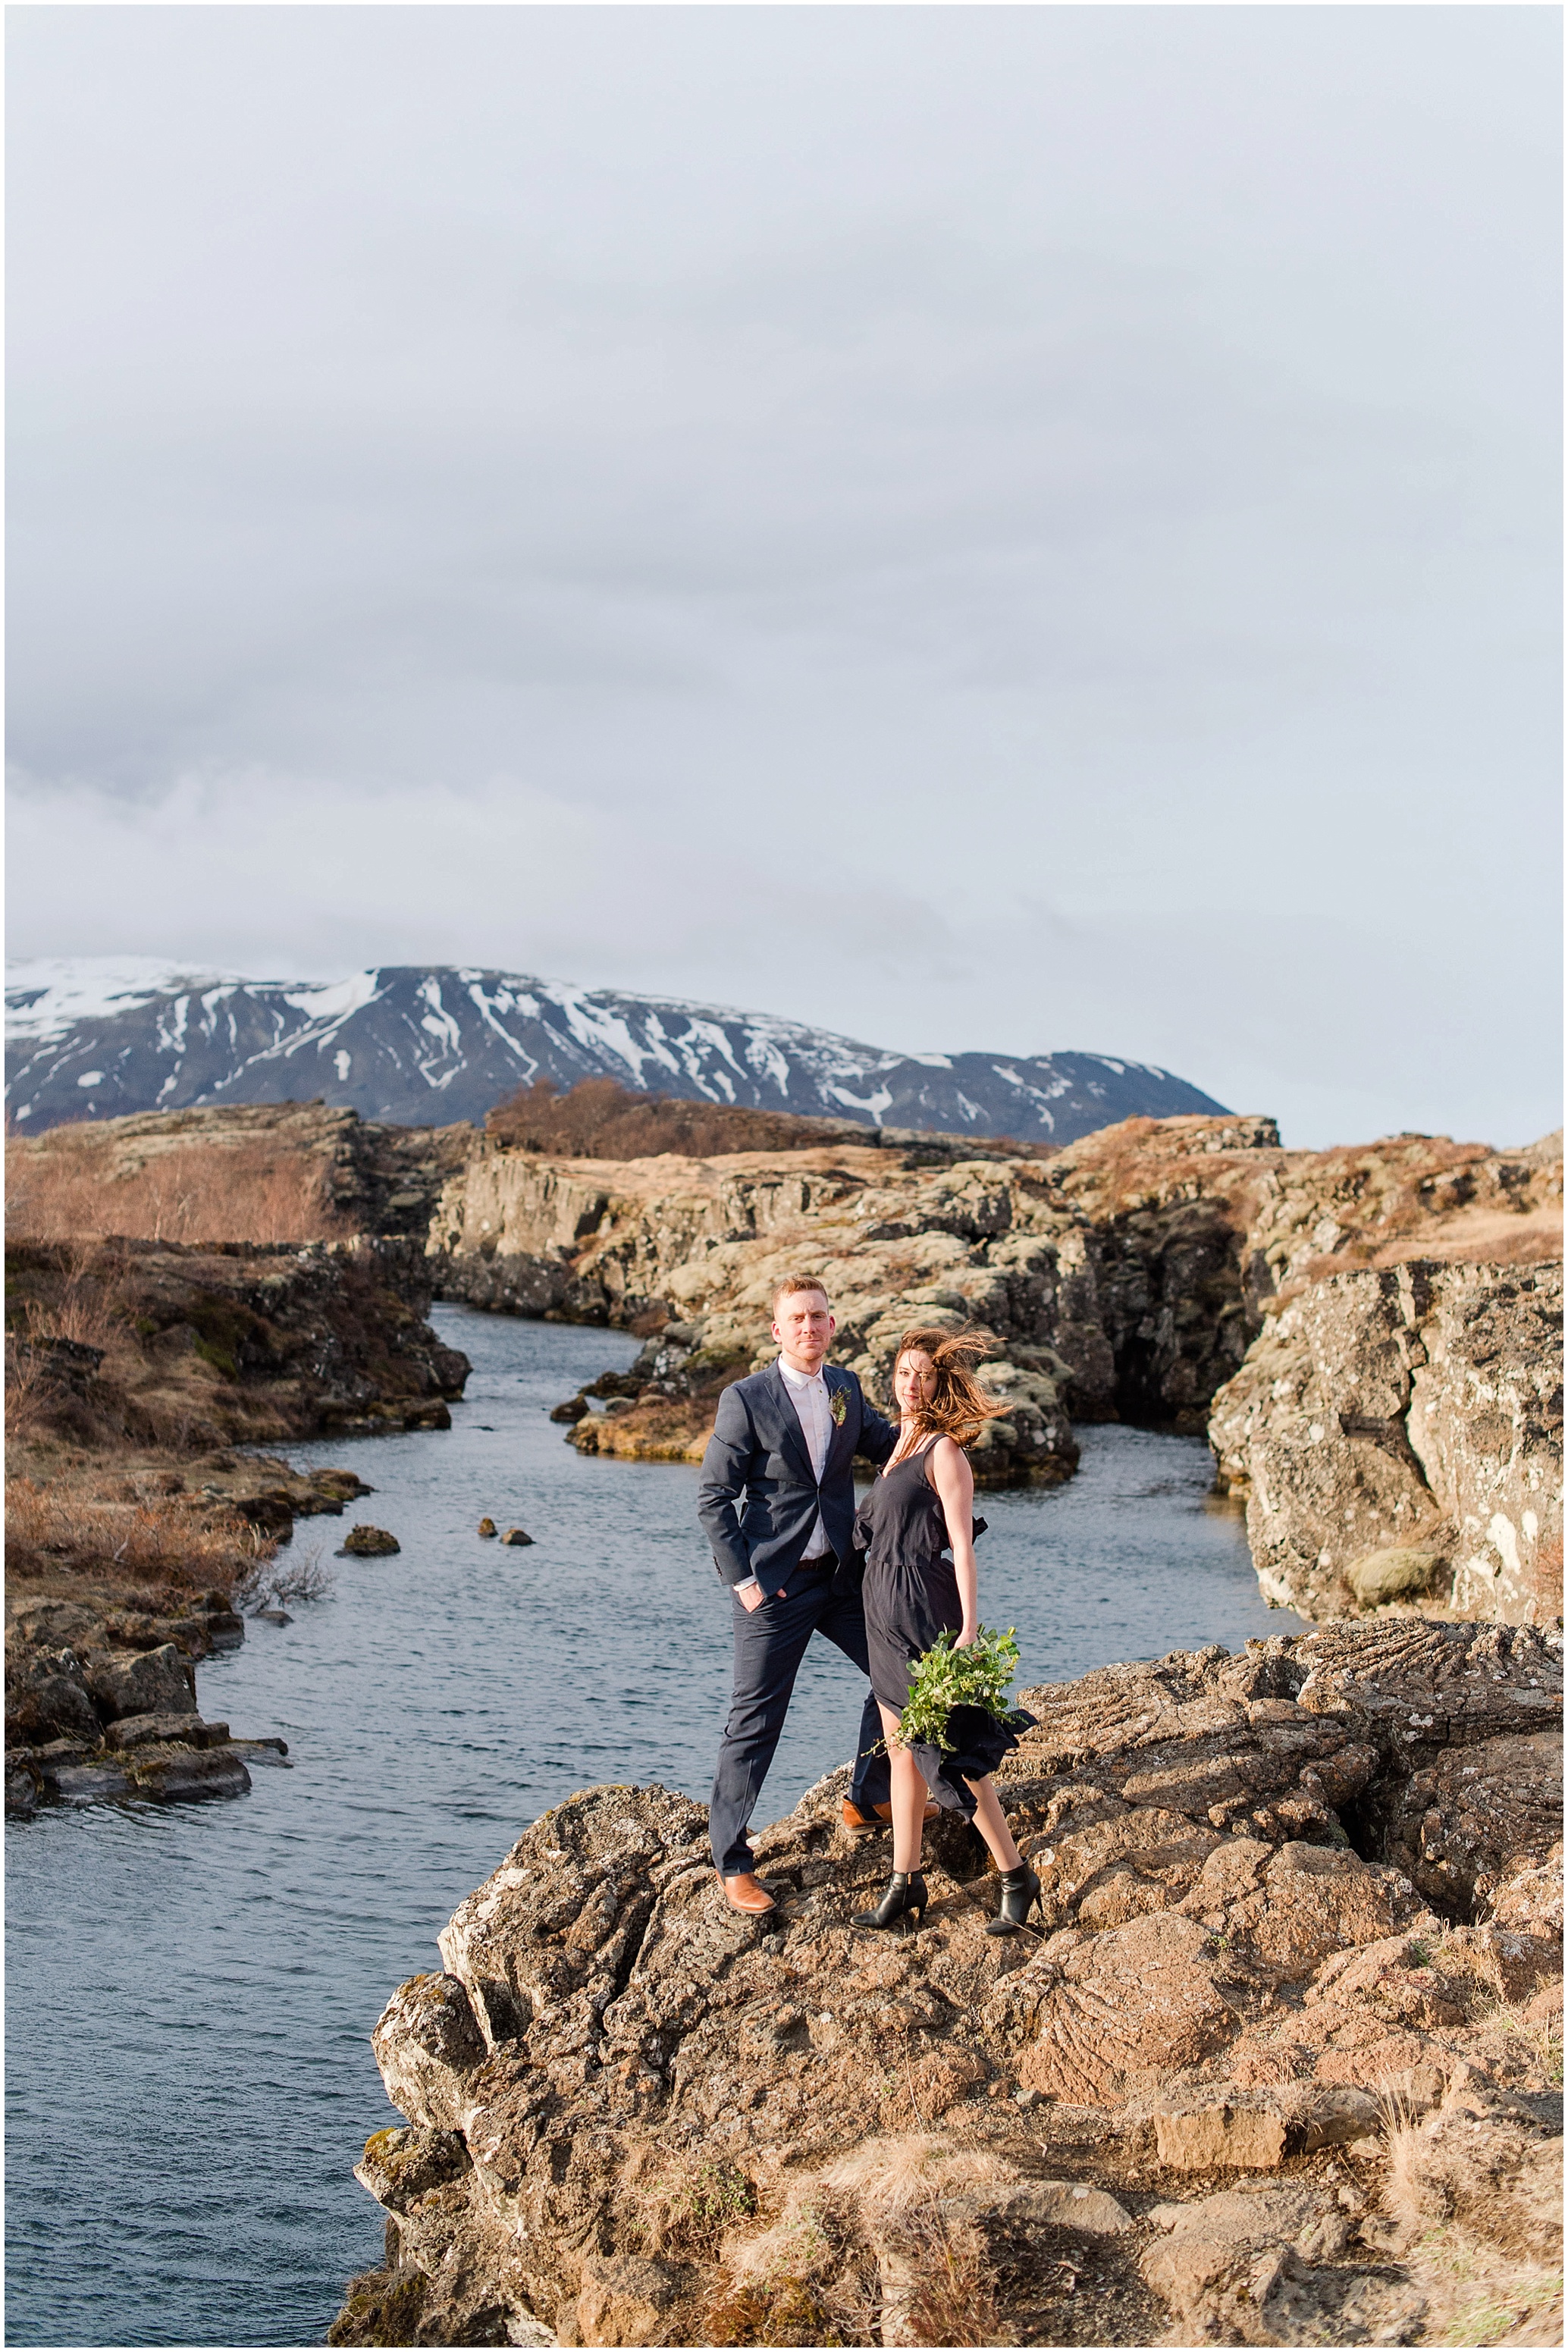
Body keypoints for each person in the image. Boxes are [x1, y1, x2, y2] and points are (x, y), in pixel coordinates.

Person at [698, 1275, 933, 1917]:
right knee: (756, 1720)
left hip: (840, 1576)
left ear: (833, 1326)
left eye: (820, 1317)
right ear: (778, 1329)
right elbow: (713, 1498)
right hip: (772, 1587)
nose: (810, 1327)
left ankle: (867, 1794)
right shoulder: (745, 1399)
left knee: (900, 1673)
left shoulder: (846, 1389)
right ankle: (732, 1861)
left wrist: (940, 1437)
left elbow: (889, 1445)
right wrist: (743, 1583)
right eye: (798, 1318)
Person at [851, 1325, 1040, 1937]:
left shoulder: (943, 1451)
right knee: (901, 1751)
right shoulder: (898, 1444)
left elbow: (961, 1547)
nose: (912, 1384)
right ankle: (904, 1883)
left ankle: (1015, 1875)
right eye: (904, 1373)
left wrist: (969, 1629)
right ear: (894, 1379)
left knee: (949, 1752)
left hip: (925, 1612)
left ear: (940, 1383)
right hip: (881, 1609)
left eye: (924, 1375)